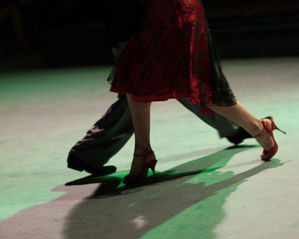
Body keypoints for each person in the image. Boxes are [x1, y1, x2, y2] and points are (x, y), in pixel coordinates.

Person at [67, 0, 264, 176]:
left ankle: (235, 126)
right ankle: (91, 153)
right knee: (146, 88)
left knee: (163, 83)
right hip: (139, 20)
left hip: (138, 18)